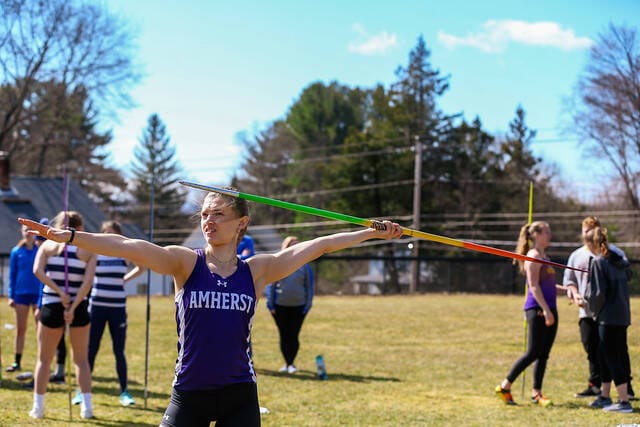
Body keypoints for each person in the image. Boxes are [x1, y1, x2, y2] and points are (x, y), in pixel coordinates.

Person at [18, 187, 403, 426]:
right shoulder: (186, 263)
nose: (208, 221)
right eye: (204, 214)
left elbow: (318, 246)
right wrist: (70, 236)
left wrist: (370, 232)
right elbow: (128, 247)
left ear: (241, 223)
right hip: (190, 394)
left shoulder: (258, 270)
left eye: (218, 214)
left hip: (239, 394)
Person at [28, 211, 97, 419]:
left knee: (44, 360)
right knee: (81, 361)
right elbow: (88, 282)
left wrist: (60, 294)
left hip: (52, 305)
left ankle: (38, 408)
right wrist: (73, 305)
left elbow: (37, 271)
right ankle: (87, 408)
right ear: (80, 227)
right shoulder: (88, 251)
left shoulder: (47, 246)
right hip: (79, 307)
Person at [565, 216, 635, 400]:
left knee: (613, 354)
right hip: (614, 313)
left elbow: (599, 293)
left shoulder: (607, 258)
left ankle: (623, 396)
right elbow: (570, 281)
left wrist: (595, 306)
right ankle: (602, 392)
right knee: (600, 352)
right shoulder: (580, 256)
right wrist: (576, 294)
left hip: (605, 314)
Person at [495, 221, 558, 406]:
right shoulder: (532, 256)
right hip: (537, 309)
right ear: (537, 235)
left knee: (543, 354)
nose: (550, 235)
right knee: (532, 352)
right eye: (547, 231)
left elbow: (550, 286)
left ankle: (536, 393)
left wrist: (569, 290)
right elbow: (534, 286)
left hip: (549, 308)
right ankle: (505, 386)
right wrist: (546, 310)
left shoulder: (544, 256)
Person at [81, 221, 144, 407]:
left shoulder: (124, 253)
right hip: (97, 307)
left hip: (117, 307)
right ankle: (82, 390)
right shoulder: (95, 253)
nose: (108, 237)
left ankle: (124, 391)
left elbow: (141, 267)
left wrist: (125, 279)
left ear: (118, 236)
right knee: (91, 349)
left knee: (119, 351)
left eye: (112, 233)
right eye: (105, 233)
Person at [583, 225, 633, 413]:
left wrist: (592, 310)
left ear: (592, 243)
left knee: (612, 357)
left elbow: (597, 294)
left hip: (608, 317)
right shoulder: (619, 260)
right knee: (607, 355)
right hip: (622, 315)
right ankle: (605, 396)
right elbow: (628, 276)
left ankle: (623, 401)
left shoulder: (598, 262)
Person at [267, 236, 314, 374]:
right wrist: (270, 305)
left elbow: (310, 287)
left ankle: (291, 363)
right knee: (284, 335)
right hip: (280, 306)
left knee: (294, 335)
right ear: (285, 247)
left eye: (297, 245)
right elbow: (271, 284)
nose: (295, 247)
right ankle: (286, 363)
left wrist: (308, 305)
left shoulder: (305, 266)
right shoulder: (278, 264)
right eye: (292, 245)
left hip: (299, 307)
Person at [6, 223, 42, 373]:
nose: (27, 233)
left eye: (29, 230)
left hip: (37, 294)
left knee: (40, 330)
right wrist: (11, 295)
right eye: (25, 230)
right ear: (21, 232)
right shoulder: (16, 251)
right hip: (21, 294)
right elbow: (12, 274)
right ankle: (17, 361)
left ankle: (42, 362)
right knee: (21, 329)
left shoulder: (40, 250)